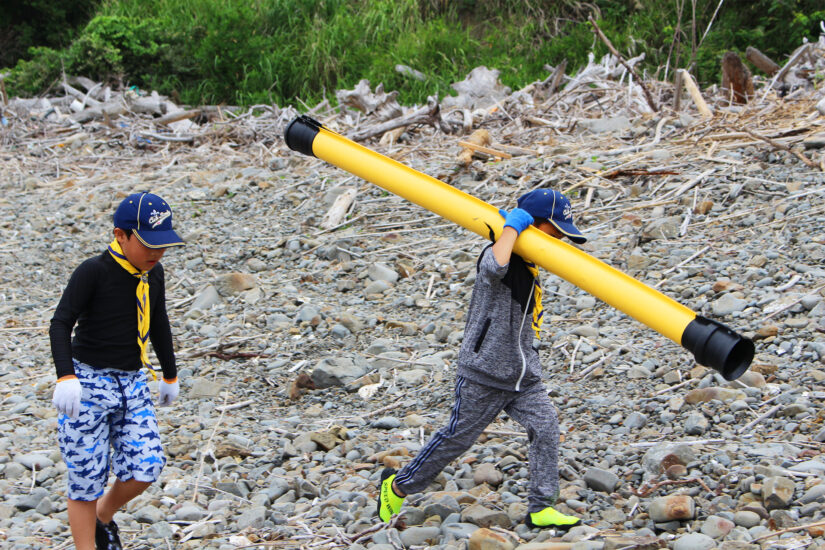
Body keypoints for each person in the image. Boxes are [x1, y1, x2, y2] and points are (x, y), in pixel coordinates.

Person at [377, 189, 587, 530]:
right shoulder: (501, 252)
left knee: (546, 427)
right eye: (556, 229)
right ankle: (398, 486)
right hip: (484, 372)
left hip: (522, 375)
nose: (561, 237)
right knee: (456, 438)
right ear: (533, 224)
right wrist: (513, 227)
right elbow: (494, 265)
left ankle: (541, 507)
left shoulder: (531, 262)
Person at [49, 192, 185, 550]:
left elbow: (158, 322)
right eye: (148, 245)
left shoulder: (154, 275)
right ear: (120, 235)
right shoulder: (93, 271)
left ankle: (103, 518)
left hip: (133, 382)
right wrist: (66, 376)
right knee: (85, 477)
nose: (156, 254)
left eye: (163, 245)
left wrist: (170, 374)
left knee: (147, 465)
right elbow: (61, 322)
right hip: (88, 384)